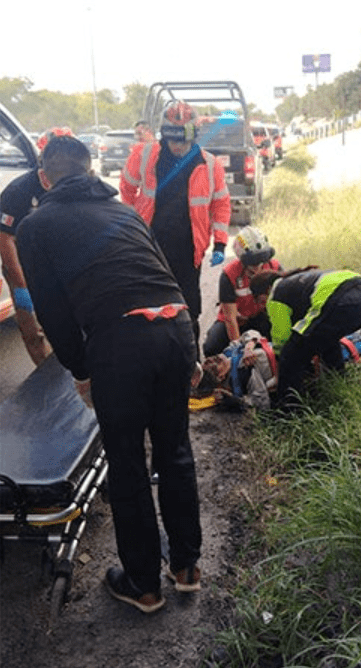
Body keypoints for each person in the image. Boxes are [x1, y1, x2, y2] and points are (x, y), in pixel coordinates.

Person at [16, 136, 202, 613]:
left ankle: (142, 584)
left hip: (123, 341)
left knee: (127, 463)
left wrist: (81, 370)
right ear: (91, 170)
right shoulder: (125, 213)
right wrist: (194, 349)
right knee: (174, 449)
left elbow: (53, 313)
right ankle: (186, 567)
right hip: (175, 326)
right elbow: (165, 276)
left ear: (44, 178)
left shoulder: (37, 226)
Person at [120, 101, 231, 353]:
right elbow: (126, 189)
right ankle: (151, 359)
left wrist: (221, 242)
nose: (177, 144)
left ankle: (191, 362)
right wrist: (131, 226)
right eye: (172, 137)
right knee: (149, 307)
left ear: (194, 134)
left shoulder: (210, 164)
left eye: (183, 138)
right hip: (149, 247)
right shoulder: (145, 155)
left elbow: (221, 204)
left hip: (188, 250)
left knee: (188, 309)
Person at [249, 267, 361, 410]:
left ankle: (290, 410)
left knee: (290, 355)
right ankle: (338, 383)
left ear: (266, 291)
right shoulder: (297, 282)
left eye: (261, 301)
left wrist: (280, 372)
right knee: (326, 339)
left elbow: (281, 339)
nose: (263, 307)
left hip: (341, 300)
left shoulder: (276, 295)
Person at [0, 126, 74, 365]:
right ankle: (45, 380)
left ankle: (72, 375)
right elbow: (5, 237)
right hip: (25, 267)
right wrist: (21, 284)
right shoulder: (18, 191)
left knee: (66, 328)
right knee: (33, 333)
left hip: (59, 266)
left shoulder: (73, 184)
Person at [203, 226, 282, 357]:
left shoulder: (274, 267)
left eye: (260, 263)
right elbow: (230, 318)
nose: (257, 268)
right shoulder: (229, 275)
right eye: (252, 265)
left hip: (260, 317)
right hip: (236, 320)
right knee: (212, 347)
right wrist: (237, 349)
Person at [201, 330, 277, 411]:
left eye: (207, 361)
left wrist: (249, 346)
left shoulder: (228, 351)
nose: (211, 361)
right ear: (221, 377)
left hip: (278, 348)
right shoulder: (243, 373)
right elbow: (262, 401)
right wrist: (240, 401)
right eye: (213, 368)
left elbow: (252, 333)